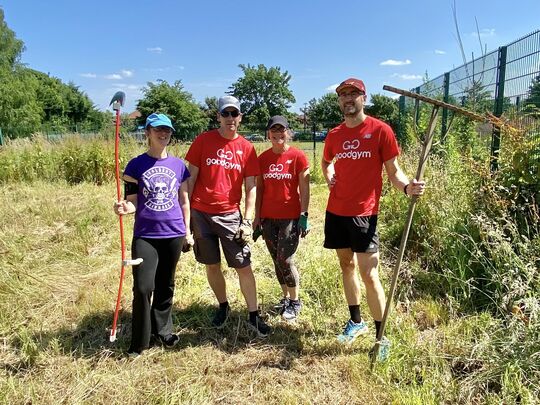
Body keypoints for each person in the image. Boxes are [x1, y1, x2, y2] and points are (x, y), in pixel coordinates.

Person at [321, 78, 425, 357]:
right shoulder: (334, 135)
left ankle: (382, 337)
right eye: (343, 95)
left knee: (369, 274)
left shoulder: (381, 130)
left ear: (363, 98)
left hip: (364, 214)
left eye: (353, 94)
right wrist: (328, 175)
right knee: (346, 265)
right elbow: (326, 162)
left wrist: (406, 187)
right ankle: (356, 321)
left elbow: (393, 171)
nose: (348, 99)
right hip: (336, 211)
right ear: (339, 101)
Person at [185, 95, 271, 337]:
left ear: (240, 117)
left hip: (230, 215)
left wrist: (247, 220)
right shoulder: (203, 141)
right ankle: (223, 306)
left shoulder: (246, 148)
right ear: (218, 117)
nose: (230, 118)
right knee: (212, 265)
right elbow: (190, 178)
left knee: (244, 266)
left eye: (235, 114)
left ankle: (254, 316)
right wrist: (186, 217)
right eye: (226, 114)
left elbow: (251, 187)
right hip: (201, 213)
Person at [114, 113, 193, 357]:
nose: (163, 133)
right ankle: (139, 342)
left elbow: (184, 201)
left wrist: (187, 232)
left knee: (165, 284)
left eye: (167, 130)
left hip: (174, 233)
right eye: (158, 129)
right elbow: (132, 202)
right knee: (142, 287)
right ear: (147, 132)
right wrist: (124, 208)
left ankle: (164, 331)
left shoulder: (179, 166)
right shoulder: (135, 165)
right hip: (146, 235)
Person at [254, 116, 310, 322]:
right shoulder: (263, 158)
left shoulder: (298, 157)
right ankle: (286, 297)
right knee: (276, 261)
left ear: (288, 132)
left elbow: (305, 188)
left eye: (282, 130)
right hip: (268, 217)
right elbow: (259, 189)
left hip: (290, 217)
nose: (278, 134)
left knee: (284, 259)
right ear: (268, 134)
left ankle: (295, 301)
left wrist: (304, 215)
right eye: (273, 130)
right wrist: (257, 217)